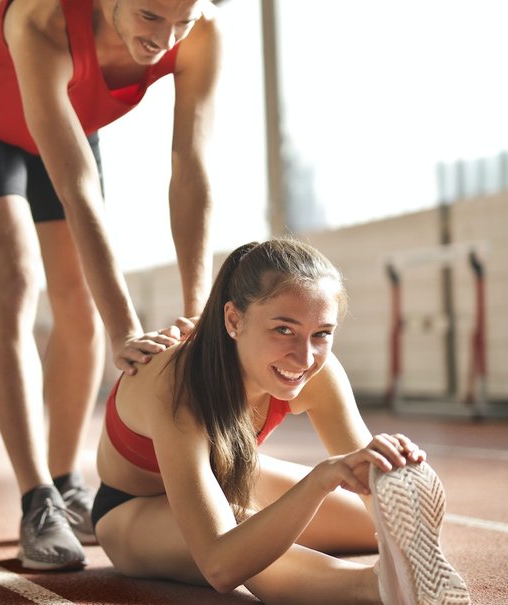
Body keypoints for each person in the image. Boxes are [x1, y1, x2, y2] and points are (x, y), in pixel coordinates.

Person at [0, 0, 222, 570]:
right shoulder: (38, 20)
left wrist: (198, 316)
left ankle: (67, 482)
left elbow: (191, 167)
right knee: (16, 280)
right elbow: (77, 190)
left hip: (70, 121)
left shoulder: (202, 32)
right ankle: (35, 496)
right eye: (149, 17)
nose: (165, 40)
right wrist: (128, 335)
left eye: (180, 23)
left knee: (78, 302)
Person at [92, 239, 472, 604]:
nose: (304, 357)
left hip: (230, 475)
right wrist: (320, 480)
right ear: (233, 320)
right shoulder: (178, 383)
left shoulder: (318, 374)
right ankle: (378, 588)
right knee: (242, 539)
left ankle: (407, 571)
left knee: (374, 520)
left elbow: (363, 477)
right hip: (133, 509)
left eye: (322, 334)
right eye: (283, 330)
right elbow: (219, 566)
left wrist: (383, 467)